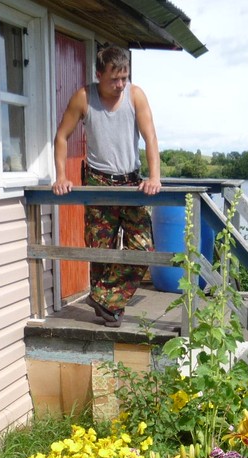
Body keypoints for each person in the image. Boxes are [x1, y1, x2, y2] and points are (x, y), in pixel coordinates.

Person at [53, 46, 162, 328]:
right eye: (114, 79)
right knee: (101, 251)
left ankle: (102, 298)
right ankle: (110, 311)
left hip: (131, 183)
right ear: (99, 74)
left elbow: (150, 138)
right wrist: (62, 175)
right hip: (98, 182)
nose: (119, 85)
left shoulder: (135, 96)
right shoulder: (84, 97)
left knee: (143, 249)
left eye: (124, 78)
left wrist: (154, 177)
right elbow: (62, 137)